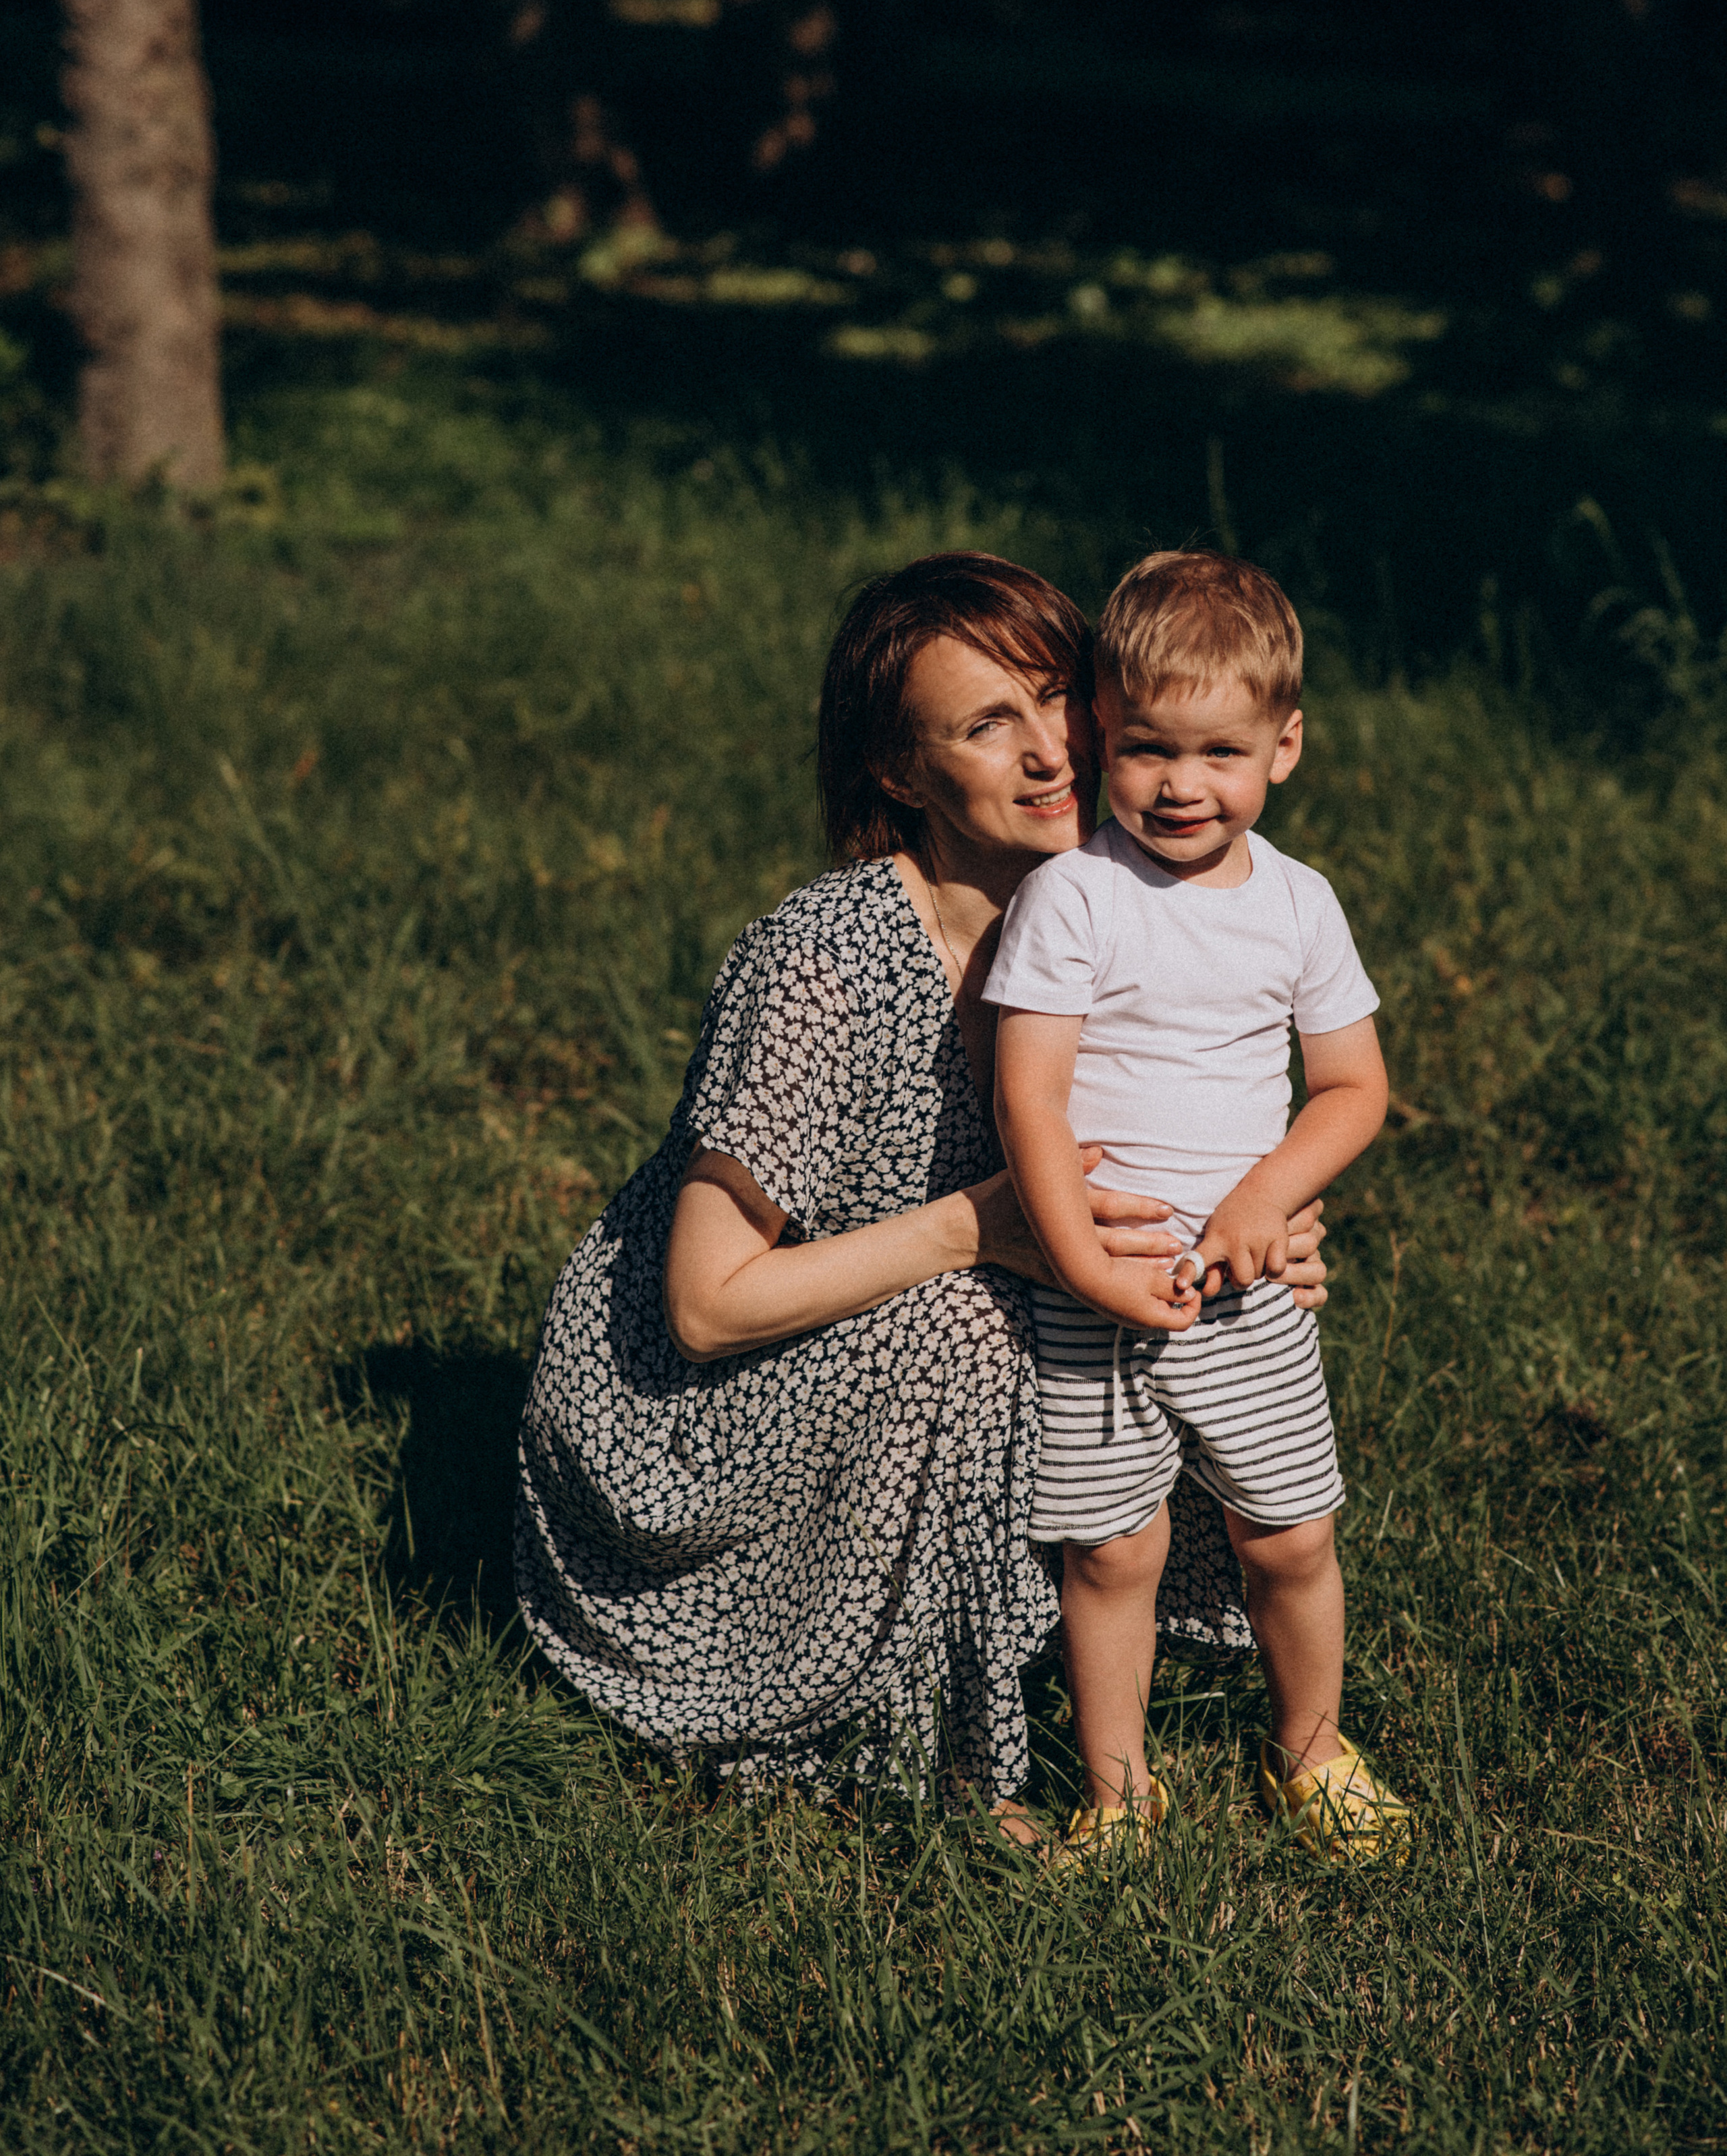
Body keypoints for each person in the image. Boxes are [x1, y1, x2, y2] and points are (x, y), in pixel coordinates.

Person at [515, 552, 1330, 1825]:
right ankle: (913, 1758)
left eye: (1057, 697)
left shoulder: (1126, 914)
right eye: (984, 723)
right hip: (697, 1409)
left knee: (1085, 1328)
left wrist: (1260, 1215)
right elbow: (704, 1307)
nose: (1049, 749)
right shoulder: (827, 961)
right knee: (974, 1328)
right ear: (901, 772)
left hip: (943, 1324)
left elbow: (1212, 1114)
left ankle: (1109, 1677)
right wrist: (980, 1228)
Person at [986, 549, 1412, 1861]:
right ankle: (1118, 1793)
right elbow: (1029, 1099)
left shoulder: (1296, 905)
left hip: (1244, 1287)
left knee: (1286, 1533)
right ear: (1101, 735)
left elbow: (1350, 1085)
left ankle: (1308, 1746)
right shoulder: (1075, 895)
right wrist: (1075, 1260)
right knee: (1109, 1553)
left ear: (1282, 746)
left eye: (1219, 750)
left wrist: (1263, 1196)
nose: (1180, 784)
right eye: (1148, 748)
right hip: (1095, 1285)